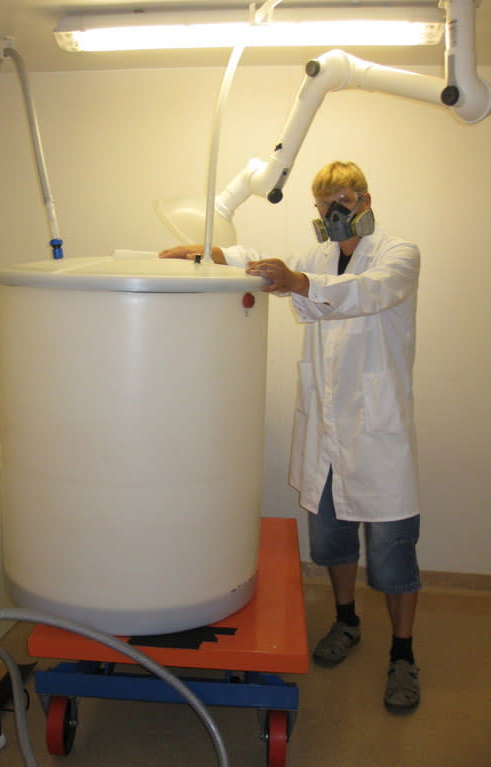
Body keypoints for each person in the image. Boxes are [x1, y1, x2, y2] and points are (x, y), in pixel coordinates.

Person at [160, 161, 421, 712]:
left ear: (366, 198)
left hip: (378, 433)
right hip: (326, 431)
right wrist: (211, 254)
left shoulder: (399, 254)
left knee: (394, 555)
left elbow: (368, 293)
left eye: (344, 199)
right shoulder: (317, 257)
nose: (334, 211)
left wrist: (299, 282)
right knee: (330, 542)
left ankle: (403, 654)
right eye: (325, 203)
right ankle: (346, 622)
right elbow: (263, 265)